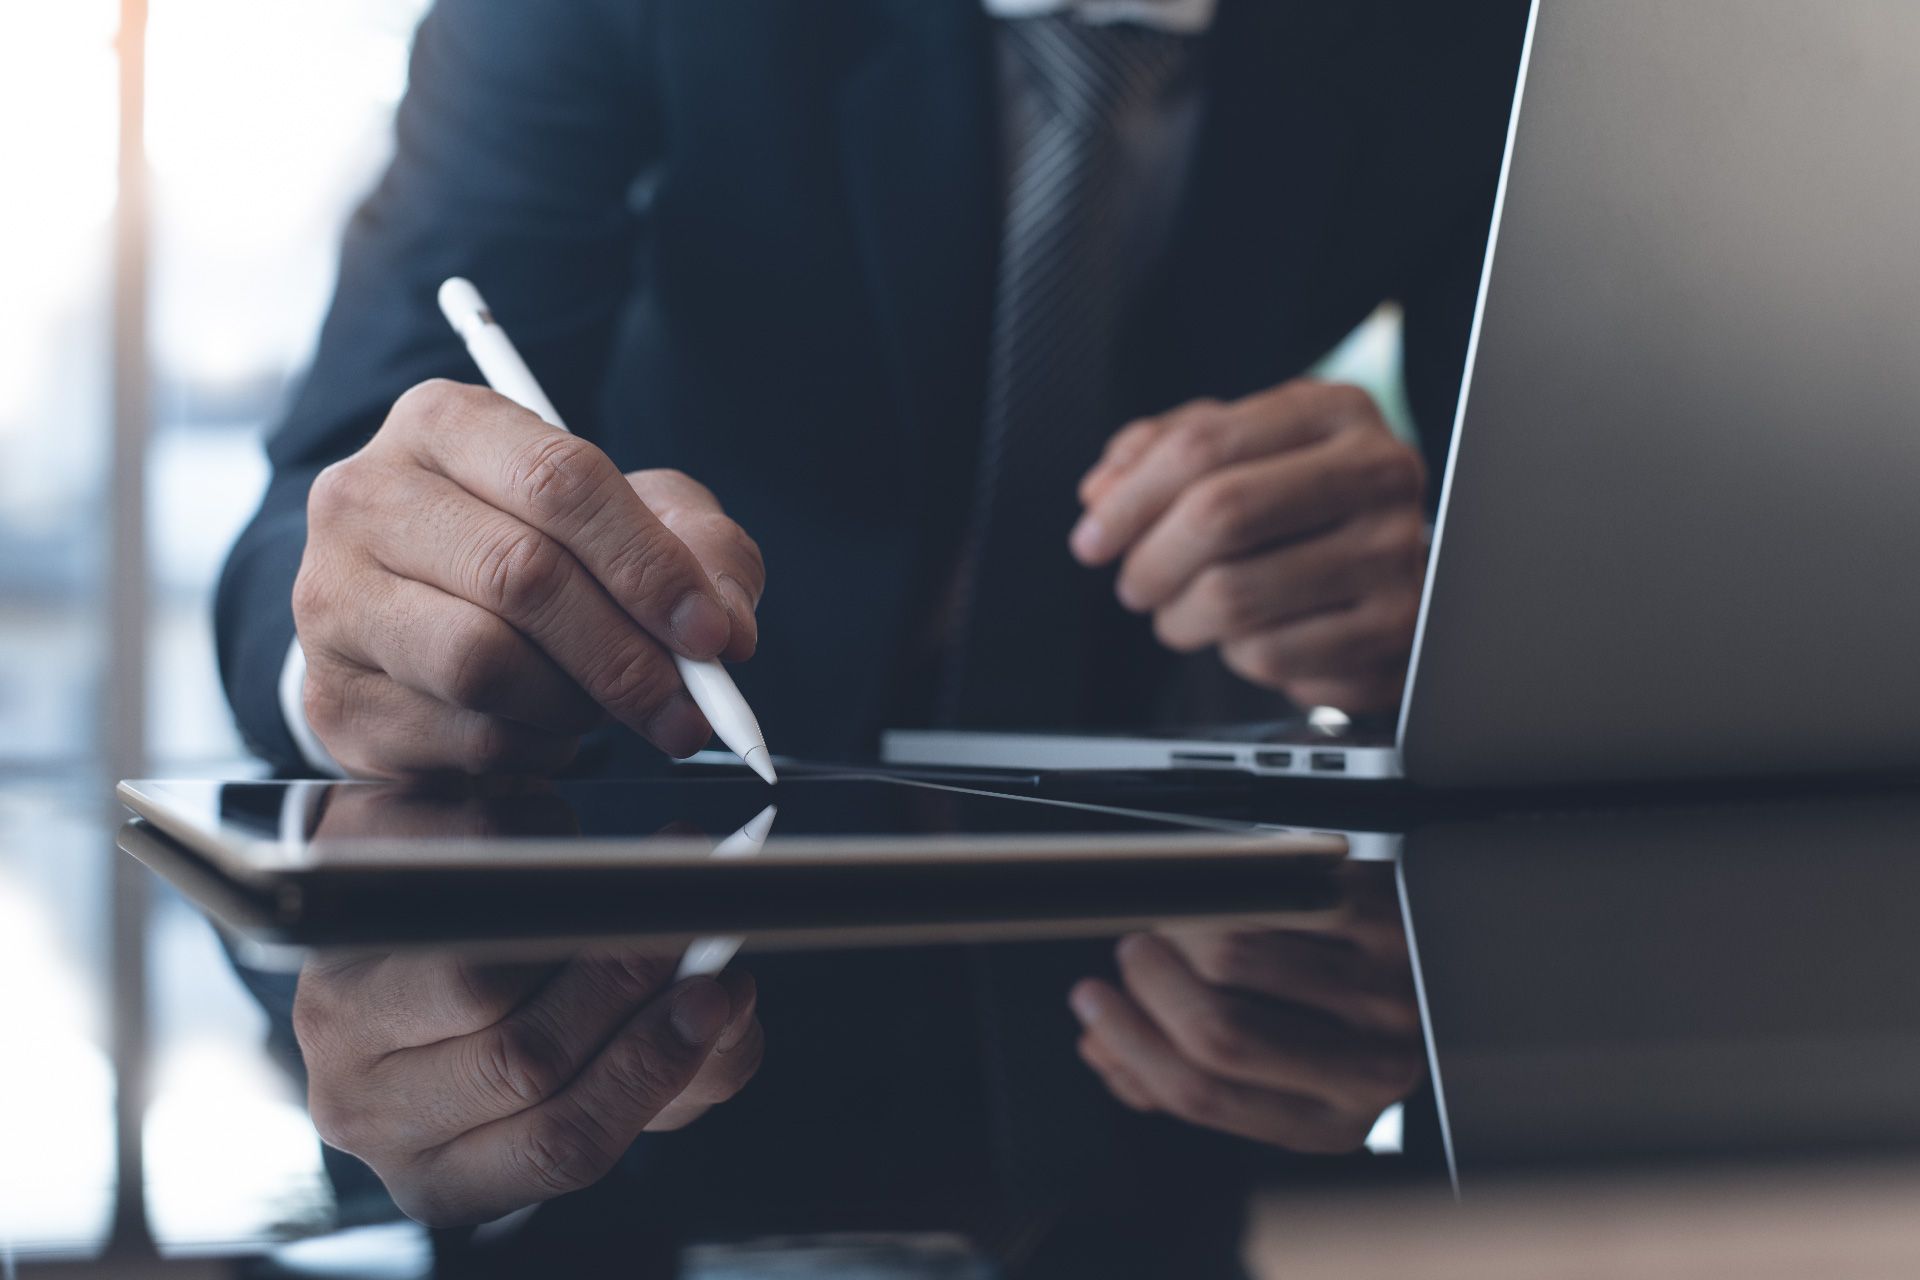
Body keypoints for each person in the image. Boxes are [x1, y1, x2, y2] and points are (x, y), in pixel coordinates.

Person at [213, 0, 1523, 1262]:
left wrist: (1459, 618)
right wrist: (367, 630)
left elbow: (1565, 522)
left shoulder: (1486, 33)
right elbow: (323, 500)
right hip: (630, 988)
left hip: (1187, 1003)